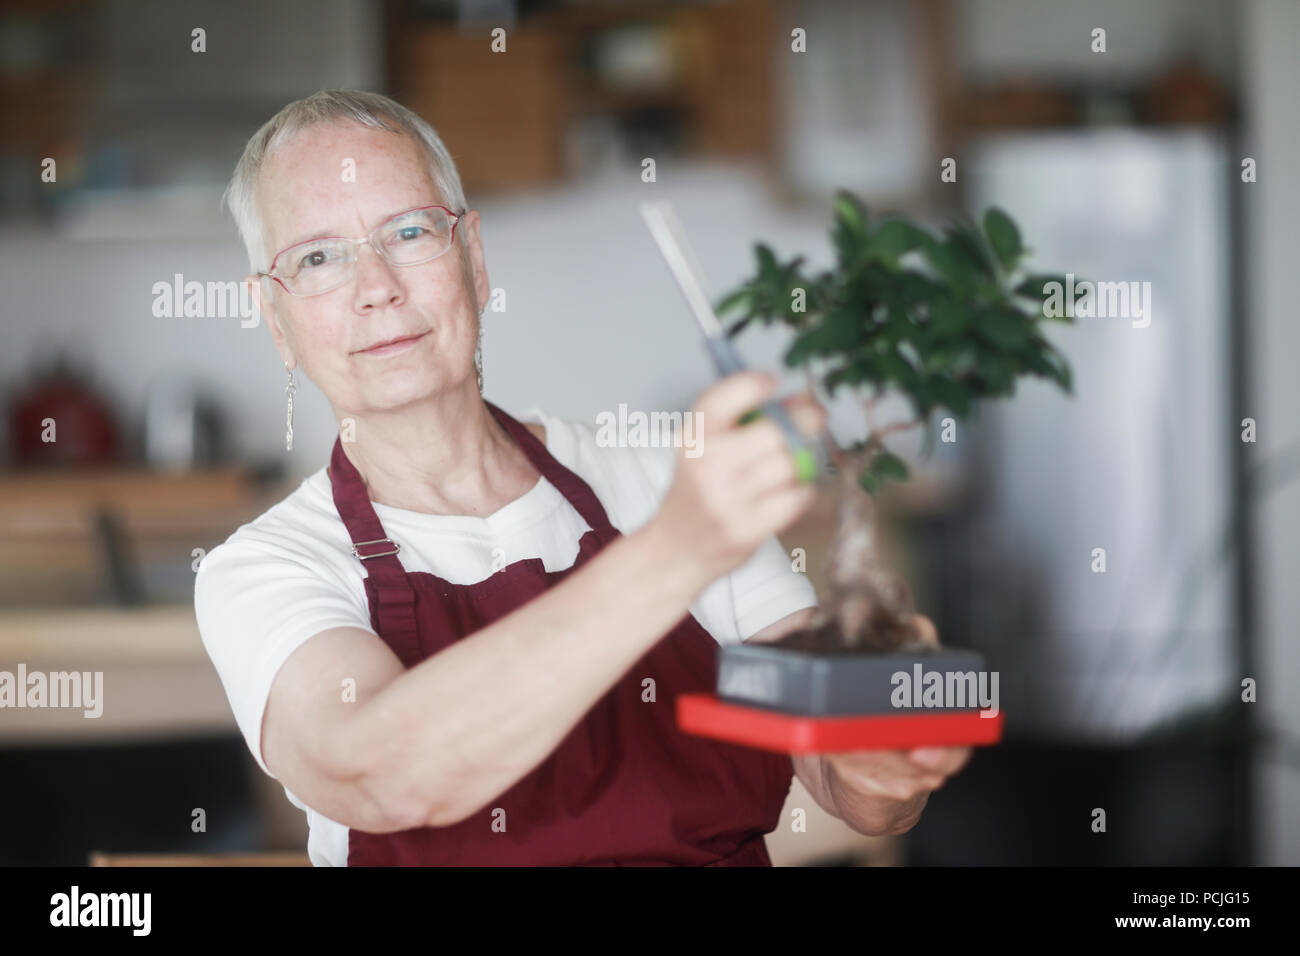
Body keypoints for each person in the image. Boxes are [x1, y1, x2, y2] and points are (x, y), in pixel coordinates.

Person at [195, 89, 970, 866]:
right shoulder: (265, 570)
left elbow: (852, 789)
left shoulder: (665, 477)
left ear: (474, 259)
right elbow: (377, 774)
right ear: (276, 319)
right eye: (319, 258)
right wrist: (680, 549)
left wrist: (889, 749)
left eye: (409, 231)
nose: (377, 286)